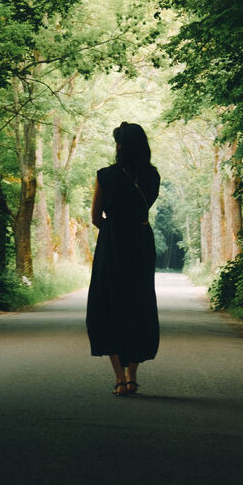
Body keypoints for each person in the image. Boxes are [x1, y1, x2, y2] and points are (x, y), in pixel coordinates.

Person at [86, 122, 161, 396]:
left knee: (109, 306)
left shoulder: (105, 175)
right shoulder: (152, 176)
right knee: (138, 307)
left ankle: (119, 379)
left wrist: (113, 230)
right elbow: (141, 209)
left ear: (121, 146)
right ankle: (132, 376)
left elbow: (96, 217)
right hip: (141, 245)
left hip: (112, 246)